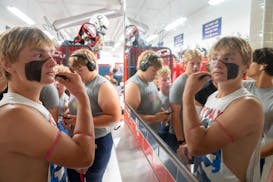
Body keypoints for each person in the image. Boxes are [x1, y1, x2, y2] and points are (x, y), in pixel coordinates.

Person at [0, 27, 95, 182]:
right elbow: (83, 159)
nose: (52, 62)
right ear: (8, 64)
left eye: (51, 54)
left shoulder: (31, 106)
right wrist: (82, 96)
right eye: (39, 55)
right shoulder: (16, 115)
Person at [181, 36, 264, 181]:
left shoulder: (247, 105)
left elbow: (198, 146)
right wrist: (189, 142)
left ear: (246, 65)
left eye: (227, 59)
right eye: (214, 58)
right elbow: (203, 135)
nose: (217, 64)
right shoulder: (213, 96)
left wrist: (187, 97)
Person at [63, 48, 121, 182]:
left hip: (97, 142)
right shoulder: (80, 84)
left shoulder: (102, 86)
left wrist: (78, 121)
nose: (76, 73)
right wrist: (68, 114)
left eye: (80, 70)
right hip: (77, 140)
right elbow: (75, 105)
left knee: (92, 179)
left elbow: (114, 117)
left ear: (91, 66)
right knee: (74, 178)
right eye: (74, 70)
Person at [243, 47, 273, 181]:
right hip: (237, 151)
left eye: (251, 61)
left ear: (262, 66)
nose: (247, 65)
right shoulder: (244, 86)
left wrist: (253, 157)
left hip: (260, 156)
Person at [125, 50, 170, 133]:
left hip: (154, 133)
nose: (156, 74)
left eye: (157, 71)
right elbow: (130, 117)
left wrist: (161, 111)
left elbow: (152, 103)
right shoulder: (133, 86)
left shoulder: (150, 82)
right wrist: (155, 118)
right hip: (142, 137)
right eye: (154, 70)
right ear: (143, 66)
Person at [169, 49, 202, 144]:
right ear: (185, 65)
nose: (196, 67)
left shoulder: (198, 81)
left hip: (193, 132)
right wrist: (181, 141)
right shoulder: (179, 84)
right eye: (192, 64)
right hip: (180, 135)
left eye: (198, 63)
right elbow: (175, 115)